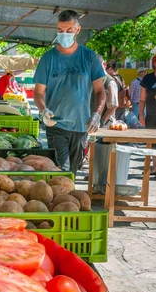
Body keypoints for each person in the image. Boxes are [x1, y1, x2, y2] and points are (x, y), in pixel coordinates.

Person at [34, 10, 106, 174]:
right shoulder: (48, 58)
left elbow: (100, 91)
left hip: (81, 126)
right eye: (60, 30)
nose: (64, 34)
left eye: (68, 30)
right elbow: (38, 93)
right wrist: (43, 110)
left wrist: (97, 114)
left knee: (73, 172)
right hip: (56, 125)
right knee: (62, 171)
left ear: (78, 30)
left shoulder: (89, 57)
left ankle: (67, 199)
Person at [100, 57, 119, 126]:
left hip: (105, 123)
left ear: (104, 65)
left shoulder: (110, 81)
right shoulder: (92, 79)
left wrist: (102, 121)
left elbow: (113, 106)